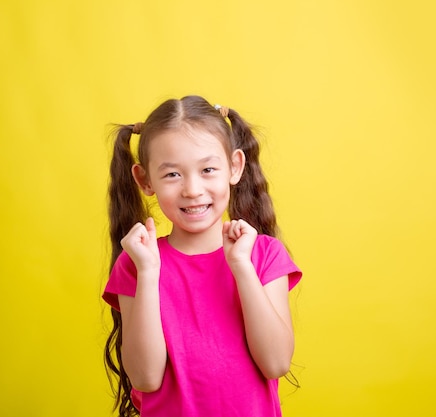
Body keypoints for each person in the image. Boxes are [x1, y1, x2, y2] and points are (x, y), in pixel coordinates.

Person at [102, 95, 302, 417]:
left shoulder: (263, 255)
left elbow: (276, 363)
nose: (193, 189)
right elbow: (145, 377)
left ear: (235, 167)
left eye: (208, 169)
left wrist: (241, 267)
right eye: (172, 175)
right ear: (145, 180)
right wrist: (149, 273)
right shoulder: (139, 263)